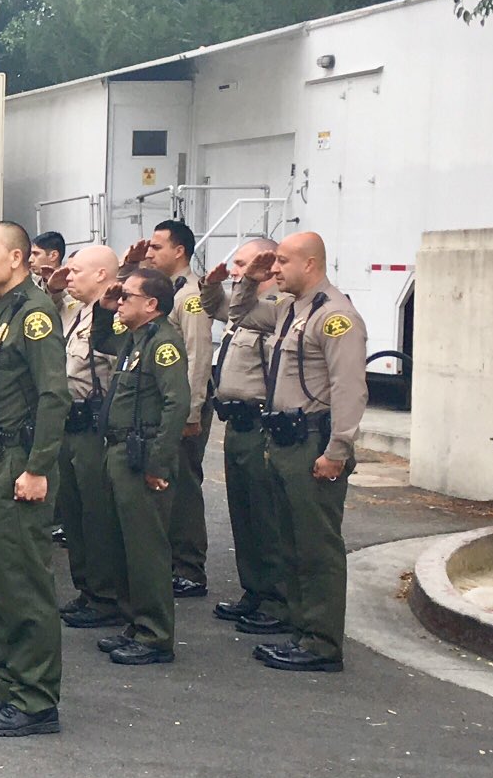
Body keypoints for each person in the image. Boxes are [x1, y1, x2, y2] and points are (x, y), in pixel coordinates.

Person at [0, 221, 69, 737]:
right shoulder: (2, 312)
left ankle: (36, 701)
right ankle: (10, 687)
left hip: (18, 463)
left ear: (19, 258)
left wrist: (38, 467)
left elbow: (53, 396)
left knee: (24, 583)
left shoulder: (36, 315)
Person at [257, 232, 367, 673]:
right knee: (292, 541)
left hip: (314, 442)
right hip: (286, 440)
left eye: (283, 261)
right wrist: (251, 278)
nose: (275, 269)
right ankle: (302, 629)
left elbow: (349, 387)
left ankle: (322, 644)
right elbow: (239, 312)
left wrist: (338, 448)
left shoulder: (336, 316)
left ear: (311, 263)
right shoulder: (290, 309)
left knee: (317, 546)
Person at [91, 267, 190, 665]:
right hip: (120, 452)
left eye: (128, 296)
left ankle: (155, 635)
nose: (121, 301)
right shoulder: (136, 339)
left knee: (147, 549)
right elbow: (101, 339)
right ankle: (134, 623)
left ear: (151, 304)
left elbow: (176, 404)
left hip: (142, 455)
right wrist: (105, 306)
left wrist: (158, 463)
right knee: (124, 545)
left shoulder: (163, 343)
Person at [206, 239, 294, 636]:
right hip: (237, 423)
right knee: (243, 514)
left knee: (265, 516)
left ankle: (277, 598)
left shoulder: (278, 305)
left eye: (244, 263)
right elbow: (218, 308)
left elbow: (243, 313)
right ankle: (254, 589)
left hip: (261, 424)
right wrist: (214, 284)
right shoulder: (247, 306)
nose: (237, 270)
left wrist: (252, 282)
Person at [50, 245, 125, 630]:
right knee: (74, 512)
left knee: (97, 513)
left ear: (101, 275)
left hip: (96, 424)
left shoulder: (118, 315)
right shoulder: (76, 312)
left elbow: (120, 368)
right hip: (70, 422)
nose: (69, 275)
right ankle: (87, 589)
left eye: (76, 270)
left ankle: (107, 594)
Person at [145, 219, 213, 598]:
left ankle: (189, 567)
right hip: (164, 404)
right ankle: (174, 560)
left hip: (184, 405)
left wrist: (191, 412)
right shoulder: (167, 291)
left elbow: (198, 356)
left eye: (157, 247)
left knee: (184, 485)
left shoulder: (190, 297)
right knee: (167, 484)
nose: (150, 253)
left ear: (179, 251)